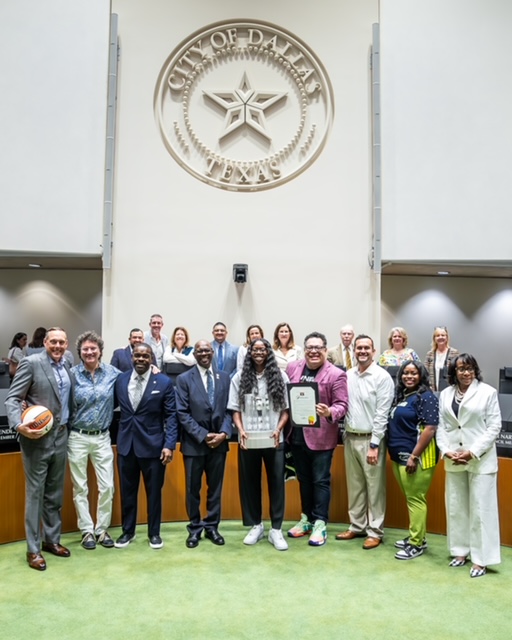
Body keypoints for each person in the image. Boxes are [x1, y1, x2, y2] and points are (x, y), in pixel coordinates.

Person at [5, 327, 73, 571]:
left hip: (61, 437)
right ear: (45, 342)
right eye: (53, 341)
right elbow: (13, 398)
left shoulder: (67, 366)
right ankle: (33, 550)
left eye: (61, 342)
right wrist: (18, 425)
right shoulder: (31, 363)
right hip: (36, 439)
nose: (57, 346)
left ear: (67, 345)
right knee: (35, 494)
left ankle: (51, 541)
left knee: (54, 494)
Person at [437, 353, 502, 578]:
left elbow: (494, 427)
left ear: (475, 370)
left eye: (470, 368)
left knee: (481, 509)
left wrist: (472, 452)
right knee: (456, 507)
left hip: (480, 459)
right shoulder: (445, 394)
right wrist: (446, 451)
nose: (466, 373)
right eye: (461, 369)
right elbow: (442, 427)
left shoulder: (488, 392)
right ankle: (459, 551)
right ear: (454, 372)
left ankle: (481, 559)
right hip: (454, 457)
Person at [286, 331, 348, 546]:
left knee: (320, 480)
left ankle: (320, 522)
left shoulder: (336, 374)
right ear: (305, 350)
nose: (313, 351)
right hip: (297, 434)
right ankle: (306, 519)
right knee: (303, 479)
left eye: (318, 348)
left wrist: (329, 411)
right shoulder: (293, 368)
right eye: (309, 348)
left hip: (321, 437)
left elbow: (342, 404)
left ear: (325, 350)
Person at [114, 343, 178, 549]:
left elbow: (171, 416)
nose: (141, 359)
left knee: (154, 493)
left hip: (153, 447)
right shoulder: (121, 380)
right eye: (138, 356)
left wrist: (169, 445)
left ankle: (154, 533)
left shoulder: (164, 382)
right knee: (127, 492)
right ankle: (128, 532)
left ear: (152, 359)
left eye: (146, 356)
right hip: (126, 447)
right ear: (132, 357)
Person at [229, 338, 289, 550]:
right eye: (255, 349)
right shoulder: (239, 377)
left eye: (263, 349)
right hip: (248, 439)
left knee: (276, 484)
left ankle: (276, 530)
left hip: (274, 439)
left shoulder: (280, 376)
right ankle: (256, 525)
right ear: (250, 352)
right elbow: (235, 409)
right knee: (250, 484)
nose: (259, 352)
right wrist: (241, 430)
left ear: (268, 352)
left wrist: (278, 429)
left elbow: (285, 410)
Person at [335, 335, 394, 549]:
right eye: (359, 348)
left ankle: (375, 531)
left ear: (374, 350)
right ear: (354, 351)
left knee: (374, 487)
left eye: (366, 348)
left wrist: (375, 444)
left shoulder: (382, 377)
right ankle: (357, 526)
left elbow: (382, 413)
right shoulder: (348, 375)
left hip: (371, 439)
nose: (362, 351)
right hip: (350, 437)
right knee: (356, 486)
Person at [175, 340, 232, 548]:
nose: (204, 354)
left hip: (220, 444)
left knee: (215, 488)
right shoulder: (183, 379)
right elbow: (182, 412)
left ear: (213, 352)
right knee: (193, 488)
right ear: (195, 354)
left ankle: (212, 527)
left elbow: (230, 410)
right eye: (200, 351)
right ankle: (195, 528)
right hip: (194, 443)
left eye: (207, 350)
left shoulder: (224, 378)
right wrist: (203, 434)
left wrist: (224, 433)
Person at [68, 331, 119, 550]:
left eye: (93, 348)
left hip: (102, 437)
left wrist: (154, 368)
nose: (89, 352)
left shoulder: (113, 373)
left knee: (107, 486)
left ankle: (102, 529)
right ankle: (87, 531)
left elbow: (134, 378)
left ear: (100, 351)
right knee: (80, 487)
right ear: (80, 352)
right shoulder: (71, 374)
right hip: (77, 436)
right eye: (85, 349)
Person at [387, 360, 439, 560]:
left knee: (416, 500)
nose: (409, 377)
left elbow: (430, 429)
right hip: (398, 456)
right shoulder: (404, 396)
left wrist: (414, 456)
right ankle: (419, 537)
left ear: (421, 376)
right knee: (411, 498)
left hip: (416, 458)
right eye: (406, 373)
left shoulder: (426, 397)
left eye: (414, 373)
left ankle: (416, 544)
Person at [424, 326, 459, 391]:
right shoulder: (430, 354)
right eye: (437, 335)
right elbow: (425, 373)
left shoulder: (454, 353)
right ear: (434, 338)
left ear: (447, 337)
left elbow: (457, 372)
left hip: (450, 390)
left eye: (443, 335)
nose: (440, 337)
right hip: (433, 391)